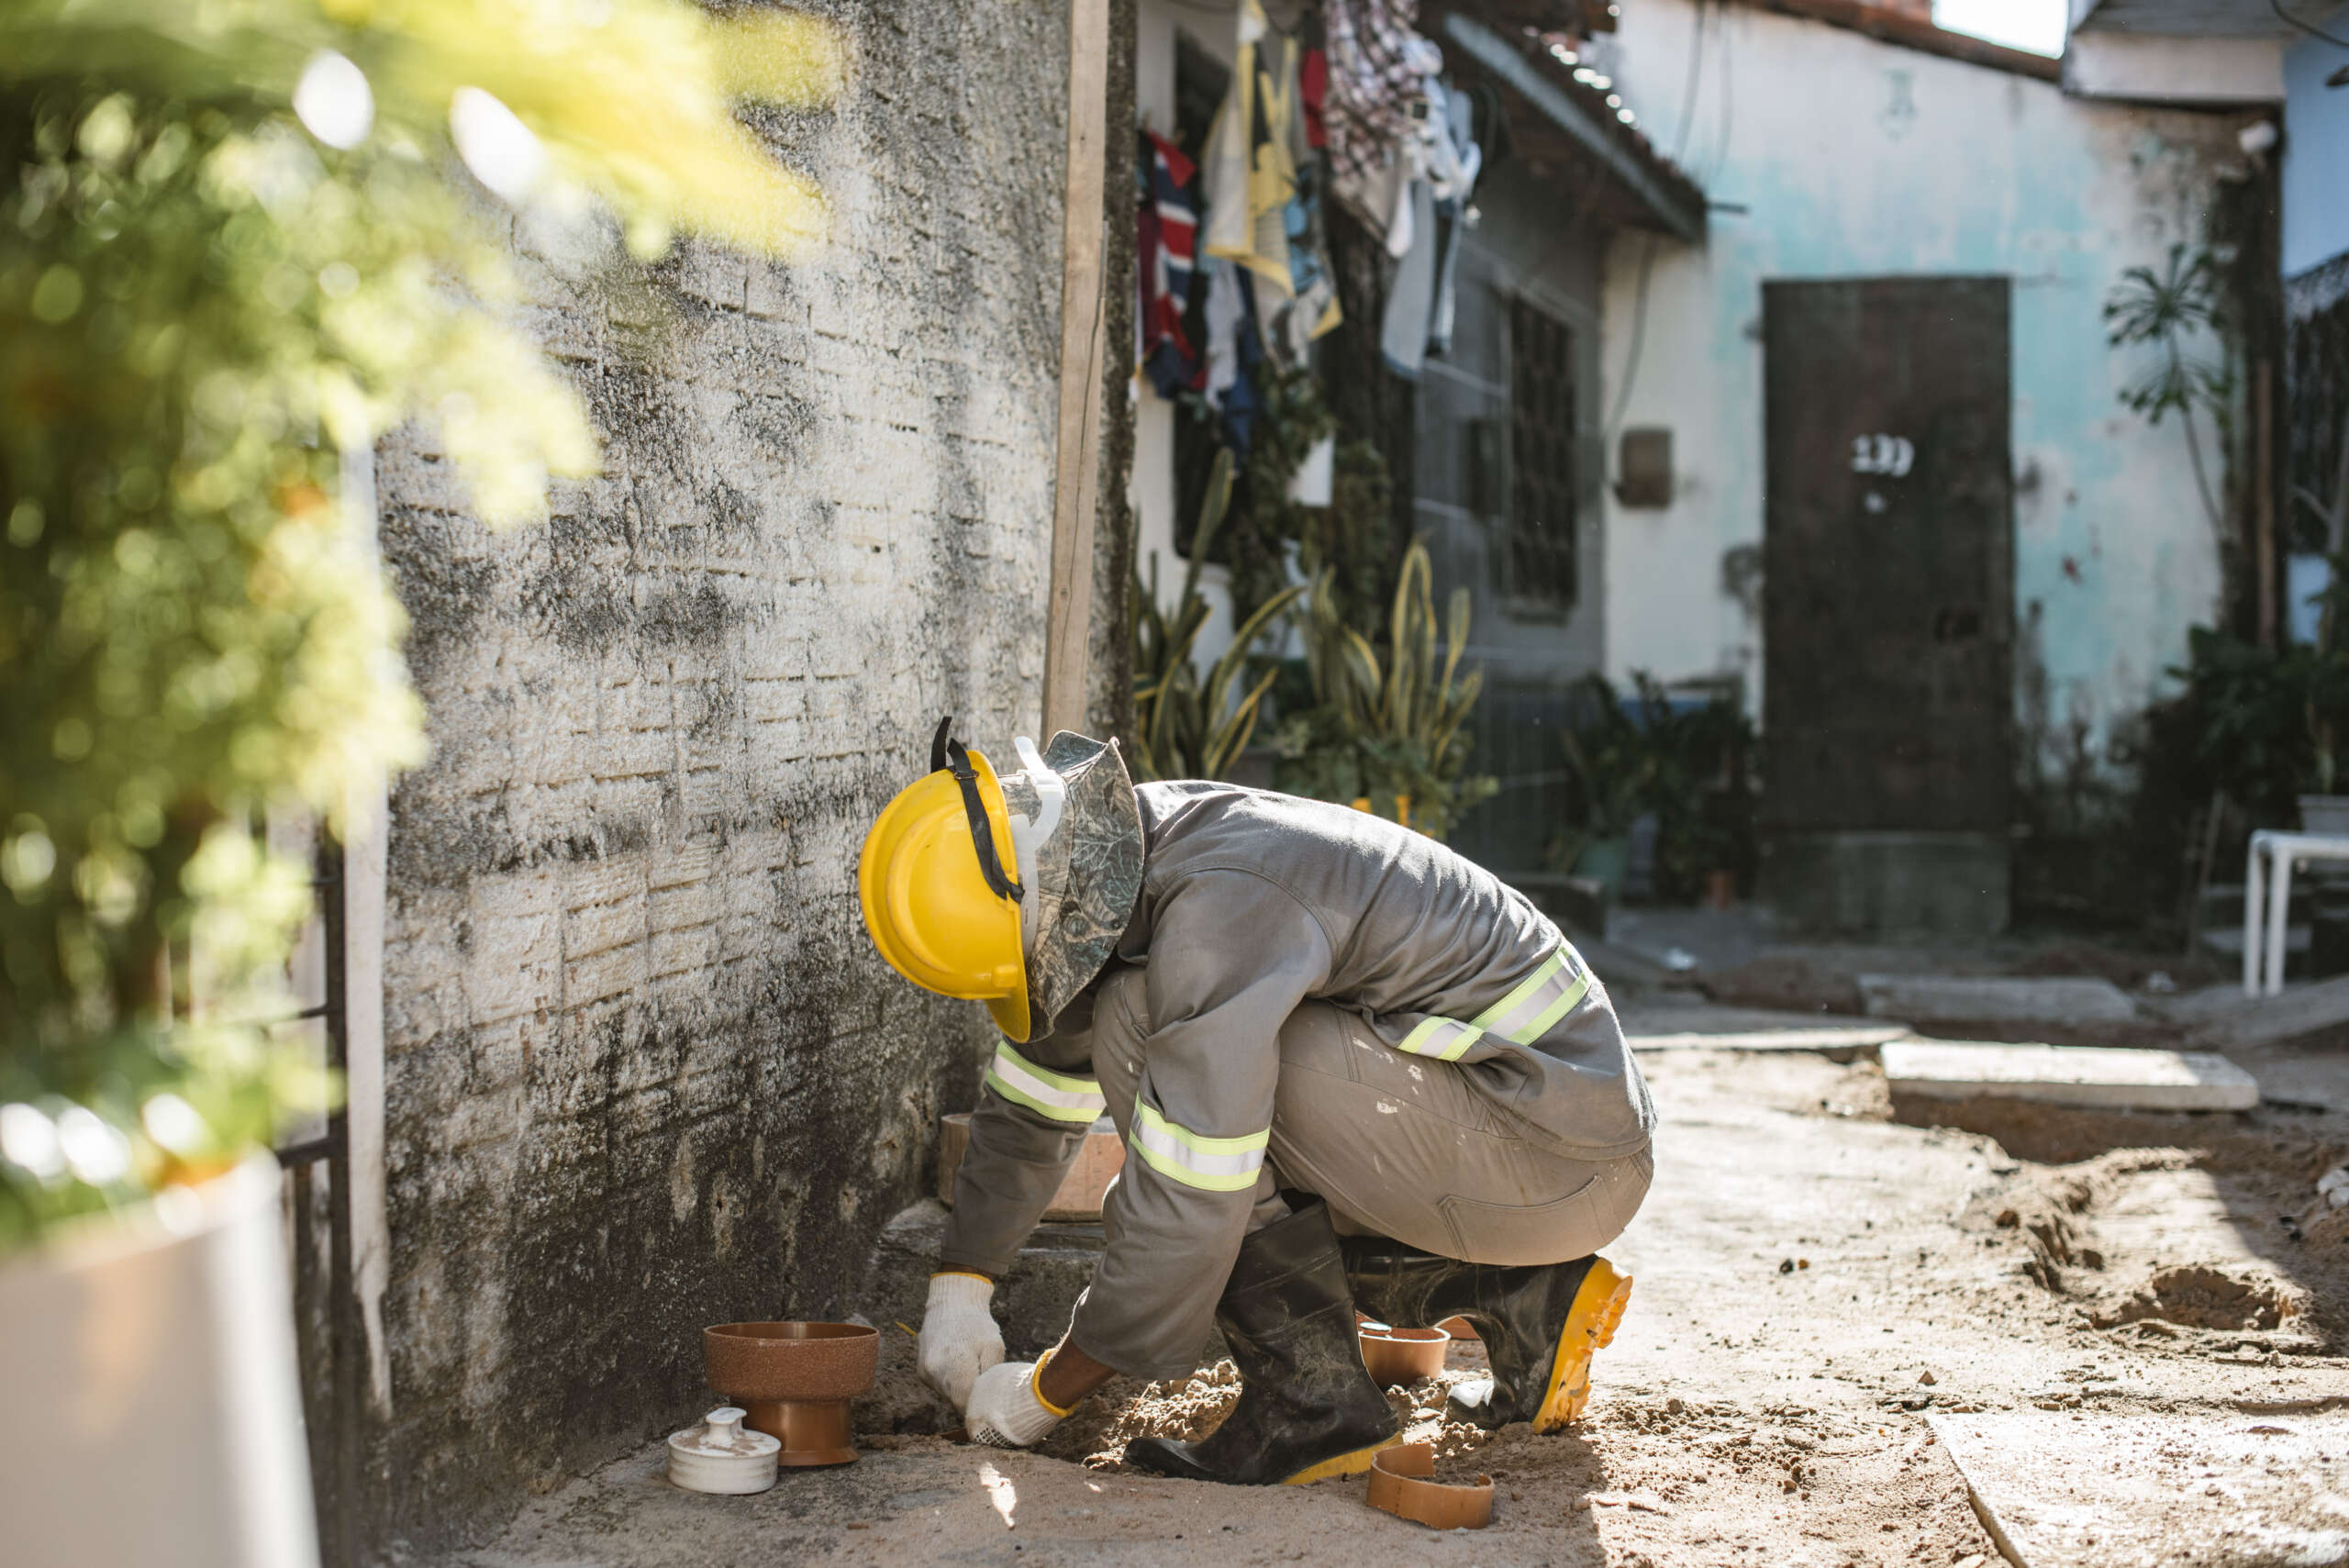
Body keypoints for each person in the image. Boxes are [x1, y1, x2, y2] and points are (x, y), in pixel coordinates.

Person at [858, 719, 1654, 1485]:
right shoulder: (1137, 843)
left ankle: (1312, 1403)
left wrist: (1044, 1393)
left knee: (1154, 1038)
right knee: (1167, 1036)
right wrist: (960, 1282)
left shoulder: (1216, 914)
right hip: (1543, 1128)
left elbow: (1191, 1199)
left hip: (1550, 1149)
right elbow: (1041, 1083)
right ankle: (1525, 1294)